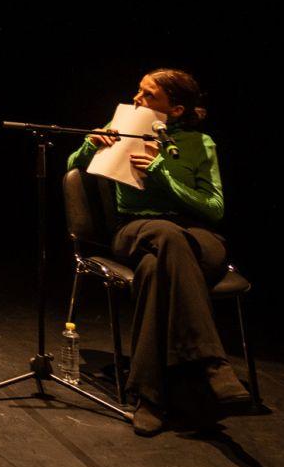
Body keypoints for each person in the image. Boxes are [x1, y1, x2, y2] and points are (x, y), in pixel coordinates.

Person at [67, 68, 246, 436]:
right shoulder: (123, 125)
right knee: (165, 236)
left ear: (176, 110)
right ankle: (212, 363)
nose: (136, 100)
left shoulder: (201, 144)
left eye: (148, 96)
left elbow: (213, 209)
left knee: (155, 268)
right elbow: (72, 169)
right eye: (138, 91)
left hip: (197, 237)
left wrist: (163, 174)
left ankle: (149, 396)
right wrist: (90, 145)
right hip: (136, 228)